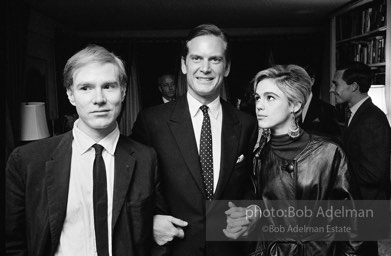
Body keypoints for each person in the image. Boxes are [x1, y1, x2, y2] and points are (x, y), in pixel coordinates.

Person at [6, 44, 165, 256]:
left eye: (109, 86)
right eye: (85, 88)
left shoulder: (147, 158)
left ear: (124, 91)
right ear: (71, 95)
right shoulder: (27, 161)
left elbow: (159, 236)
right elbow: (13, 244)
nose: (99, 99)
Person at [131, 24, 258, 256]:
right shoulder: (152, 122)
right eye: (197, 58)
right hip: (173, 249)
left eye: (215, 60)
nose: (205, 68)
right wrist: (149, 221)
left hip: (229, 249)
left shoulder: (247, 124)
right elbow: (132, 186)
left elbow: (249, 187)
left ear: (227, 67)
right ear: (183, 64)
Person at [223, 64, 361, 255]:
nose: (259, 105)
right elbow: (258, 207)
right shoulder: (259, 154)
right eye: (257, 97)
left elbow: (353, 224)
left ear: (294, 105)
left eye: (270, 97)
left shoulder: (329, 152)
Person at [331, 61, 391, 255]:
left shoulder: (372, 120)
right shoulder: (355, 115)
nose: (333, 90)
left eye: (336, 84)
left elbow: (373, 174)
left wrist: (336, 174)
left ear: (354, 87)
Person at [301, 65, 340, 139]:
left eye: (302, 80)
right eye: (295, 81)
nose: (298, 85)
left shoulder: (327, 110)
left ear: (312, 81)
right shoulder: (287, 109)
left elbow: (334, 142)